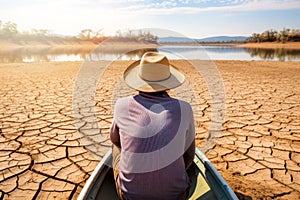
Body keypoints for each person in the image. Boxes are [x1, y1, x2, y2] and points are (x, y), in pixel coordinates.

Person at [110, 51, 195, 200]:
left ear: (139, 79)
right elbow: (189, 155)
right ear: (168, 82)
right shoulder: (185, 108)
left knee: (116, 148)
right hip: (175, 196)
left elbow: (115, 140)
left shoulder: (121, 105)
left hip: (130, 196)